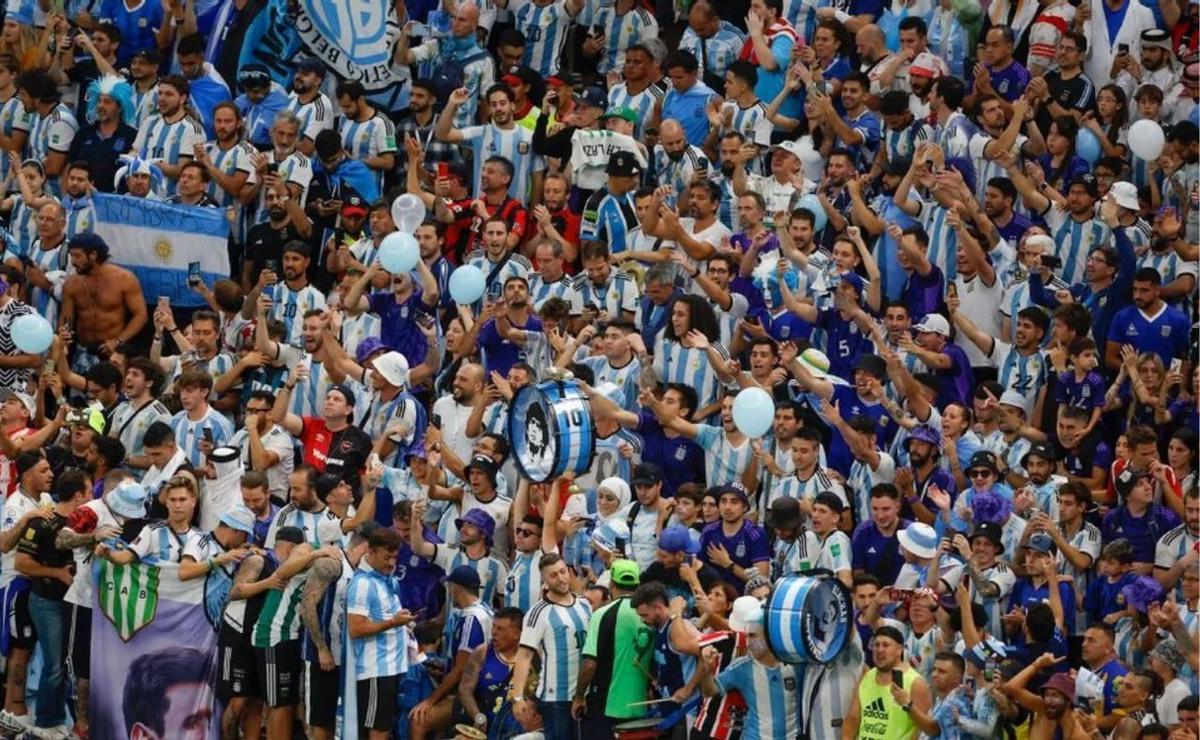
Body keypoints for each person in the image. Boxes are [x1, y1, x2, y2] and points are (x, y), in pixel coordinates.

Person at [508, 552, 593, 738]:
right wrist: (517, 697)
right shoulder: (537, 613)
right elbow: (524, 656)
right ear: (544, 580)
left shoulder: (585, 605)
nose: (561, 578)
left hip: (585, 694)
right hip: (556, 699)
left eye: (563, 572)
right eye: (553, 575)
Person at [573, 559, 654, 737]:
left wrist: (579, 697)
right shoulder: (652, 615)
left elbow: (589, 663)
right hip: (642, 708)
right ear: (638, 584)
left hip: (605, 707)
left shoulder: (602, 614)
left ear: (611, 584)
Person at [346, 526, 413, 740]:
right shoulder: (362, 584)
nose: (392, 562)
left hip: (392, 668)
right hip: (375, 669)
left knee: (384, 727)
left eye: (395, 557)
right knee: (378, 730)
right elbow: (355, 628)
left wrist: (400, 619)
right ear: (370, 552)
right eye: (387, 557)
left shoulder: (387, 580)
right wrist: (394, 621)